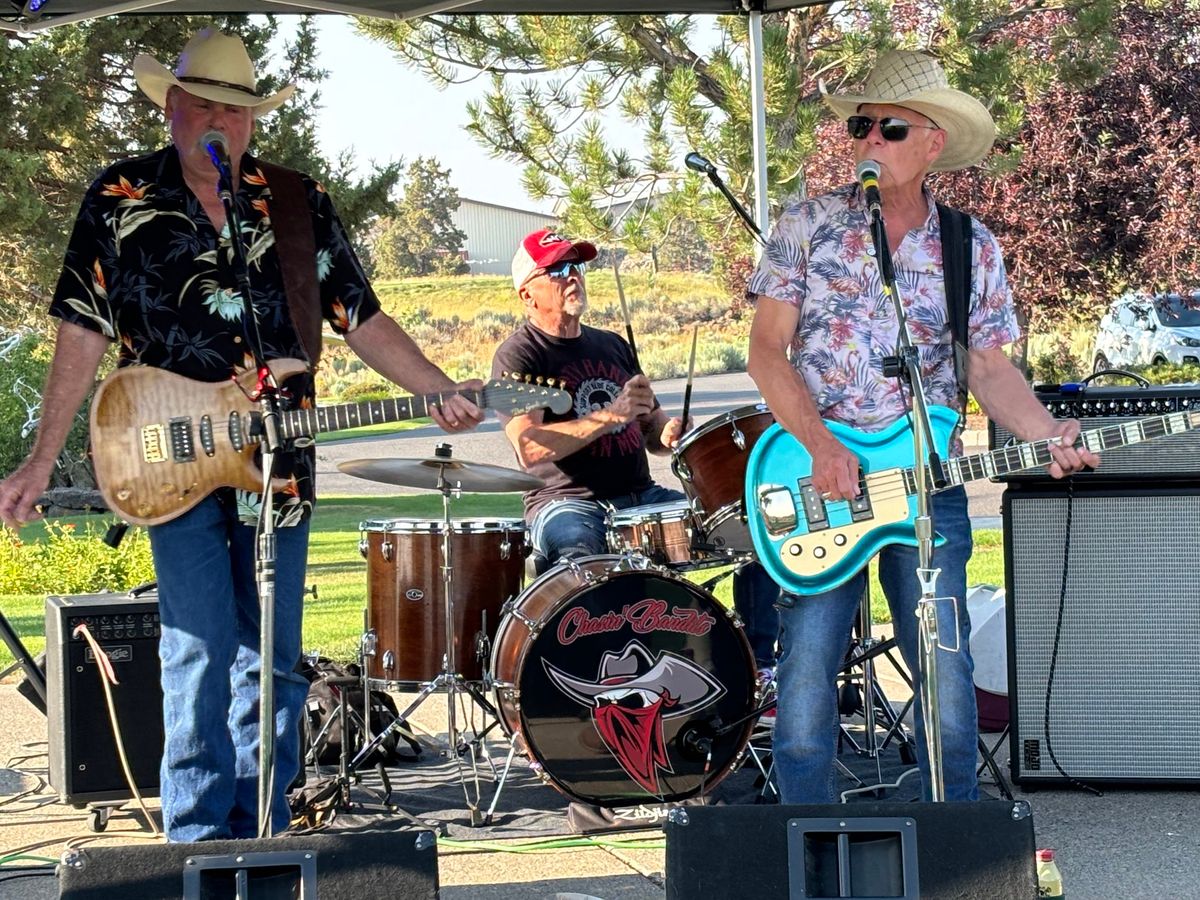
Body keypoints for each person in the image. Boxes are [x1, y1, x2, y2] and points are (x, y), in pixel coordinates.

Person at [0, 28, 482, 842]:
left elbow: (358, 315)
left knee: (273, 659)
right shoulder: (118, 196)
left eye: (238, 110)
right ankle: (196, 844)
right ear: (173, 108)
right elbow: (80, 330)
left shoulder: (295, 202)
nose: (221, 122)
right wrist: (43, 456)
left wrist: (434, 385)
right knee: (196, 651)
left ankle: (265, 833)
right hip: (165, 455)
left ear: (255, 121)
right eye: (206, 106)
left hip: (279, 461)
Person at [745, 50, 1100, 803]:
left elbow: (987, 367)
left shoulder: (969, 246)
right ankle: (799, 845)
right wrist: (821, 446)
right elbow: (764, 351)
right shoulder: (807, 224)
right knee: (806, 679)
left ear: (933, 142)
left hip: (928, 487)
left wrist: (1048, 434)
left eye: (890, 127)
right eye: (860, 125)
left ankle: (955, 845)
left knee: (942, 670)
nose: (869, 138)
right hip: (819, 479)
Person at [491, 229, 780, 676]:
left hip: (642, 498)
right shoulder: (517, 355)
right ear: (527, 292)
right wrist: (612, 414)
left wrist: (669, 432)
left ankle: (759, 672)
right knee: (577, 562)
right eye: (559, 269)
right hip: (566, 501)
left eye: (578, 267)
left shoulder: (612, 344)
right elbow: (529, 446)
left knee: (753, 530)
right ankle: (585, 685)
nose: (573, 277)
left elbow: (650, 427)